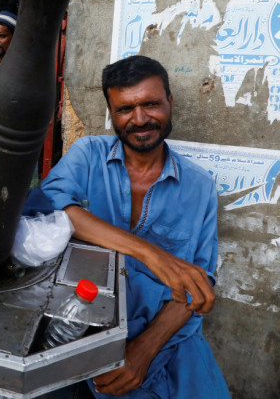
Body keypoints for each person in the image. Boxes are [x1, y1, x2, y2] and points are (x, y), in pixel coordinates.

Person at [40, 55, 230, 398]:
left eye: (151, 104)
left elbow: (197, 285)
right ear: (111, 113)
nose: (140, 119)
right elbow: (50, 209)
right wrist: (151, 254)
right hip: (77, 329)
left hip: (169, 340)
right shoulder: (88, 155)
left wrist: (143, 351)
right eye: (125, 109)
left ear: (170, 103)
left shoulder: (199, 187)